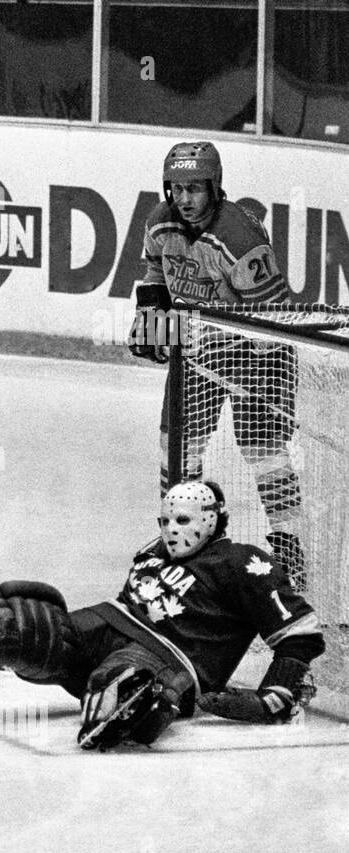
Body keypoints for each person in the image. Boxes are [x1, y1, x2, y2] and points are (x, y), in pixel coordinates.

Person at [0, 480, 323, 750]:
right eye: (166, 520)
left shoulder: (241, 562)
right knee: (36, 625)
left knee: (120, 681)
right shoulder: (151, 553)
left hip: (171, 657)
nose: (171, 530)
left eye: (184, 521)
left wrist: (276, 696)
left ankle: (135, 704)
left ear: (211, 520)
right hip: (112, 621)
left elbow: (300, 630)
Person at [129, 140, 306, 588]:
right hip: (199, 353)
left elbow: (274, 320)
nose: (184, 199)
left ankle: (289, 544)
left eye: (194, 188)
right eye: (176, 188)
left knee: (262, 449)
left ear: (214, 186)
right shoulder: (159, 223)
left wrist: (256, 381)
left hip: (257, 353)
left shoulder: (240, 238)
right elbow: (155, 275)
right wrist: (150, 317)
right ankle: (183, 540)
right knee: (177, 447)